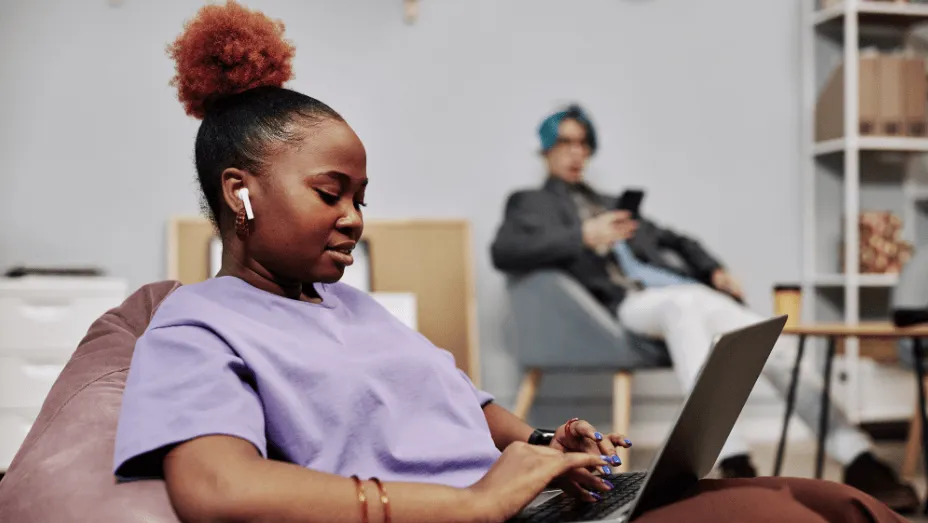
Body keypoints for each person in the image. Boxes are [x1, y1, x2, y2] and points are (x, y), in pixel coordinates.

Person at [113, 3, 908, 522]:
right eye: (332, 193)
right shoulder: (196, 322)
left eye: (362, 195)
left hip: (543, 504)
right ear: (240, 196)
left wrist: (539, 444)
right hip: (481, 520)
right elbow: (216, 488)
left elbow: (466, 403)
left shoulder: (354, 308)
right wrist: (476, 505)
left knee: (831, 502)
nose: (356, 217)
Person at [490, 105, 920, 514]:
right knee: (683, 307)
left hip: (686, 296)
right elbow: (505, 250)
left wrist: (714, 269)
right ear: (546, 149)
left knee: (770, 339)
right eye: (565, 142)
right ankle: (733, 456)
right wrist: (583, 236)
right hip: (623, 307)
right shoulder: (530, 203)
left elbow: (678, 240)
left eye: (583, 143)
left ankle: (859, 455)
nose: (575, 151)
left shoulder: (612, 203)